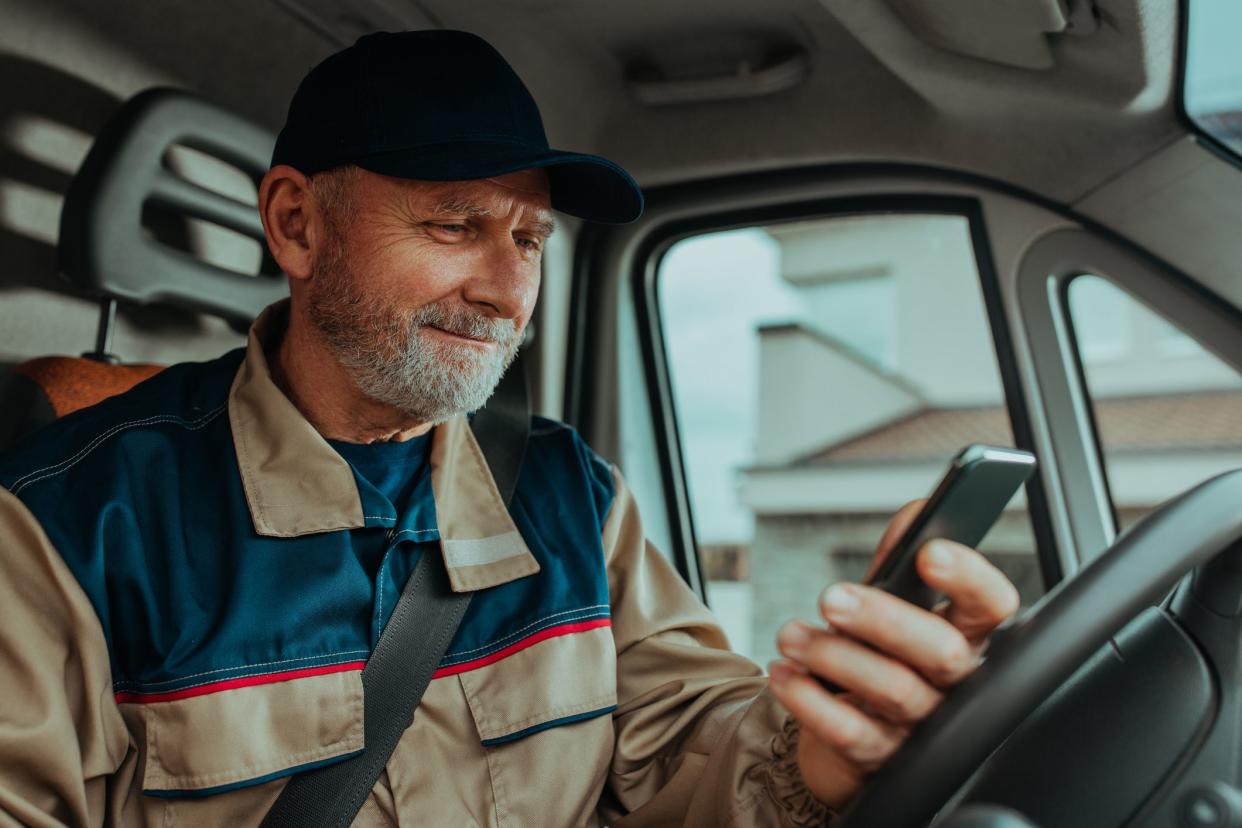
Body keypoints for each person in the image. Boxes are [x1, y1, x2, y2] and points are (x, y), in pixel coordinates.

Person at [0, 30, 1018, 827]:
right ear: (296, 224)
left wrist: (822, 750)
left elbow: (685, 754)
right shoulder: (66, 527)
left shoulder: (567, 494)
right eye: (453, 223)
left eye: (529, 238)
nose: (502, 290)